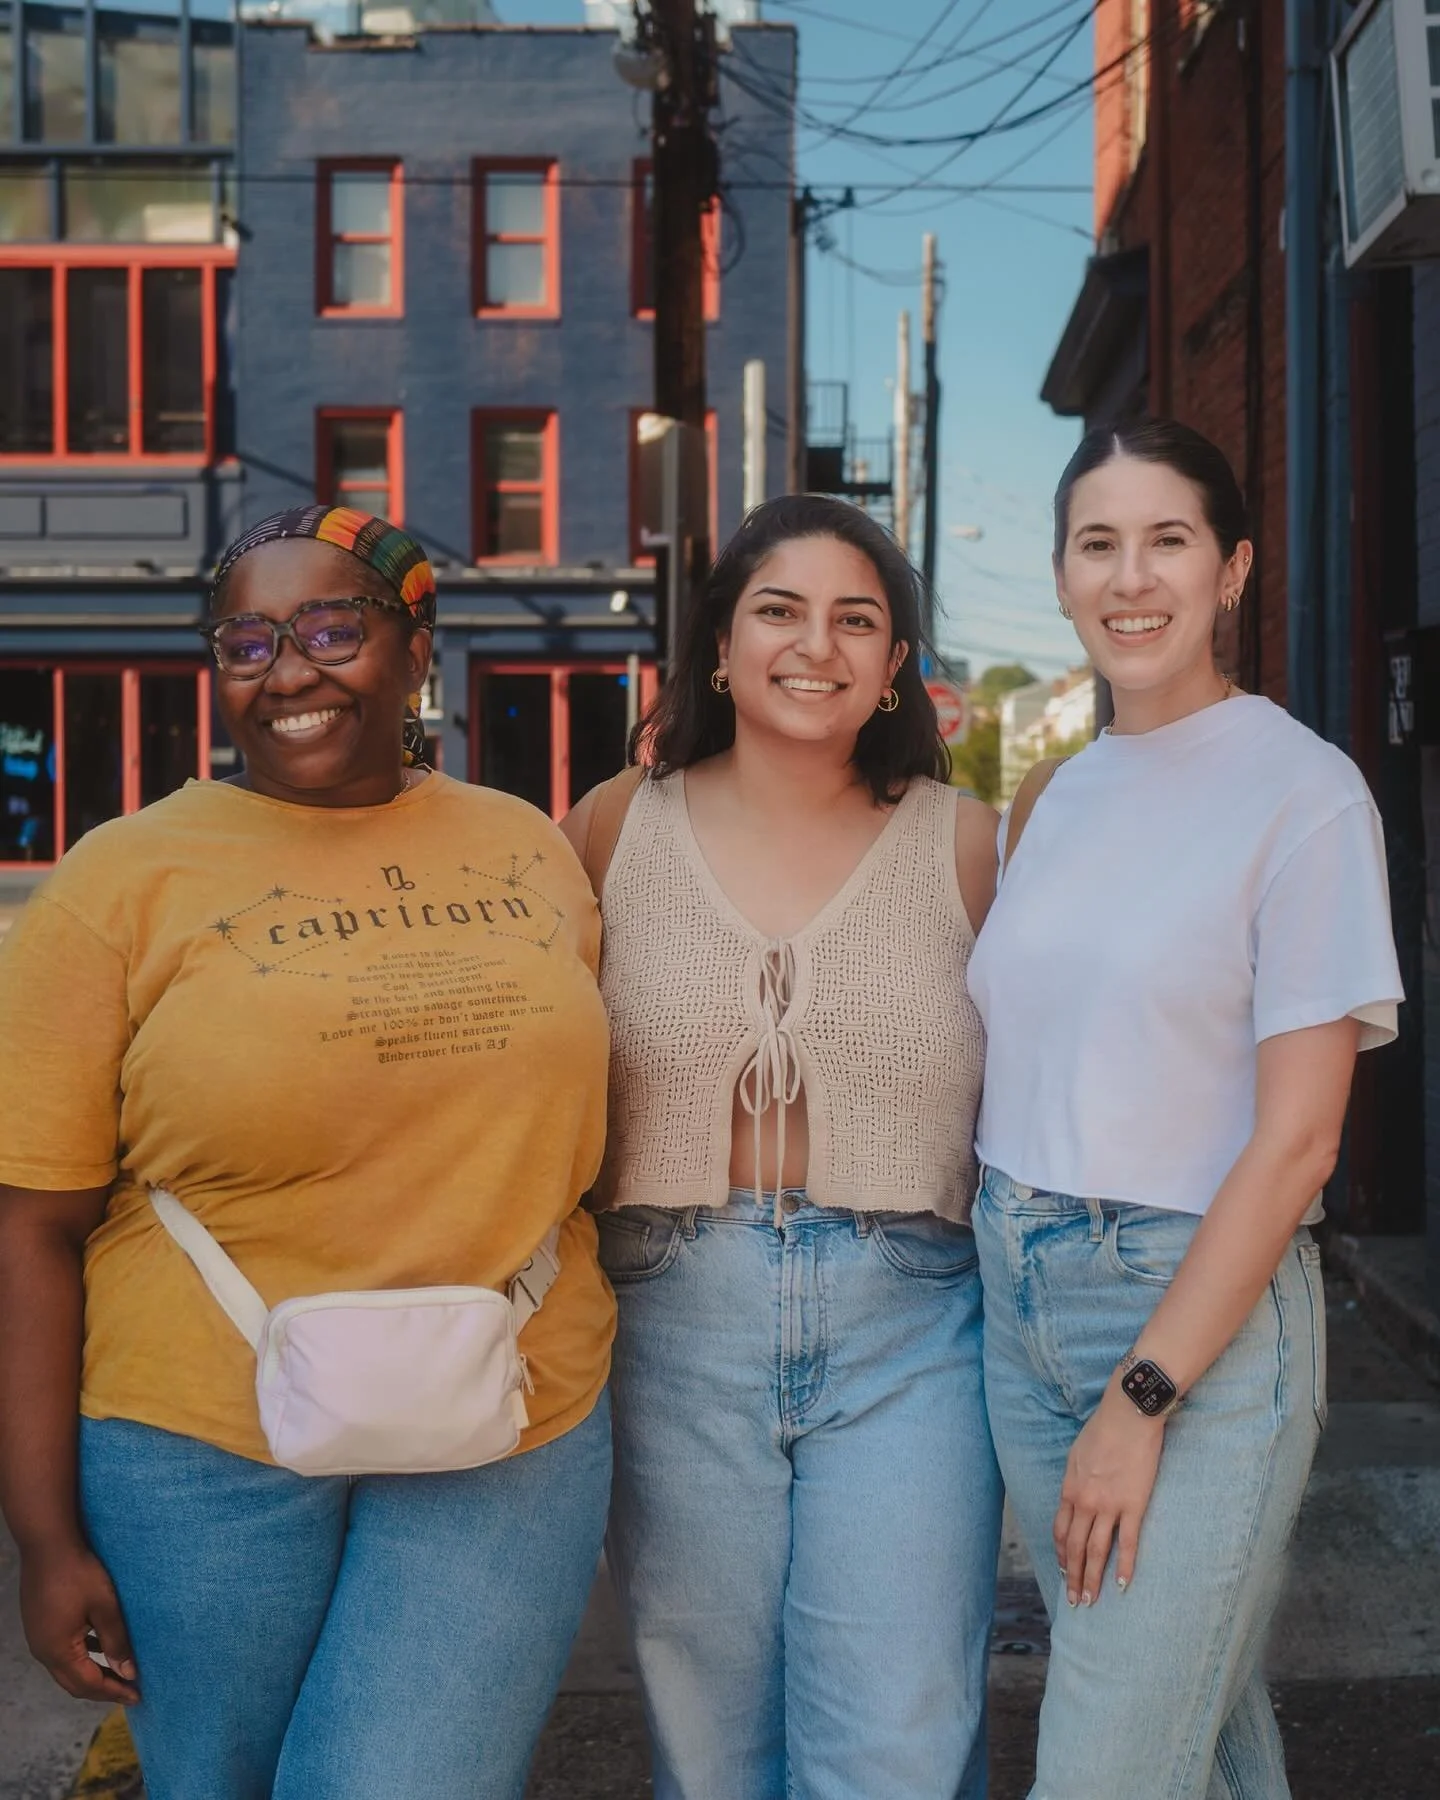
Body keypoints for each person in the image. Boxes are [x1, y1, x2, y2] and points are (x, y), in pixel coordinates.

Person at [0, 507, 614, 1800]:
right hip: (203, 1436)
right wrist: (45, 1538)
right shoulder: (117, 884)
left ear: (415, 645)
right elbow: (33, 1230)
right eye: (250, 640)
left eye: (335, 626)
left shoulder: (527, 848)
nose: (290, 670)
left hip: (514, 1402)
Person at [966, 420, 1404, 1800]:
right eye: (1099, 543)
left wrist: (1143, 1397)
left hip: (1190, 1331)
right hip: (1016, 1290)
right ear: (1062, 574)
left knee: (1105, 1766)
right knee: (1195, 1736)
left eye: (1169, 541)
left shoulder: (1305, 796)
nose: (1131, 577)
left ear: (1233, 570)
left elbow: (1301, 1142)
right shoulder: (1052, 794)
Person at [561, 494, 1004, 1800]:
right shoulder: (607, 827)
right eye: (781, 609)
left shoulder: (968, 843)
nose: (818, 644)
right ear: (715, 646)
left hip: (914, 1320)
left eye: (857, 620)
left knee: (901, 1738)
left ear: (893, 670)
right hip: (668, 1312)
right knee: (710, 1744)